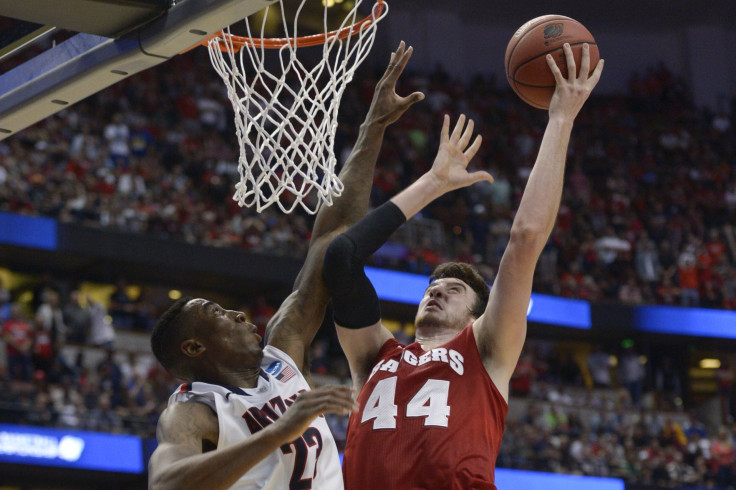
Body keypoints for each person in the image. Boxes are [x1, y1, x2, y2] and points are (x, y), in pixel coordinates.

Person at [323, 43, 604, 489]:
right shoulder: (376, 354)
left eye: (454, 290)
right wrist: (433, 183)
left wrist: (560, 119)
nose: (436, 291)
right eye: (433, 287)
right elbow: (341, 259)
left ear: (477, 316)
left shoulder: (486, 349)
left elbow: (526, 238)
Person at [147, 42, 426, 490]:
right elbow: (166, 485)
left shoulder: (282, 358)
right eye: (217, 314)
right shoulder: (193, 411)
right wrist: (280, 430)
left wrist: (373, 126)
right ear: (195, 349)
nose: (238, 314)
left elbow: (332, 240)